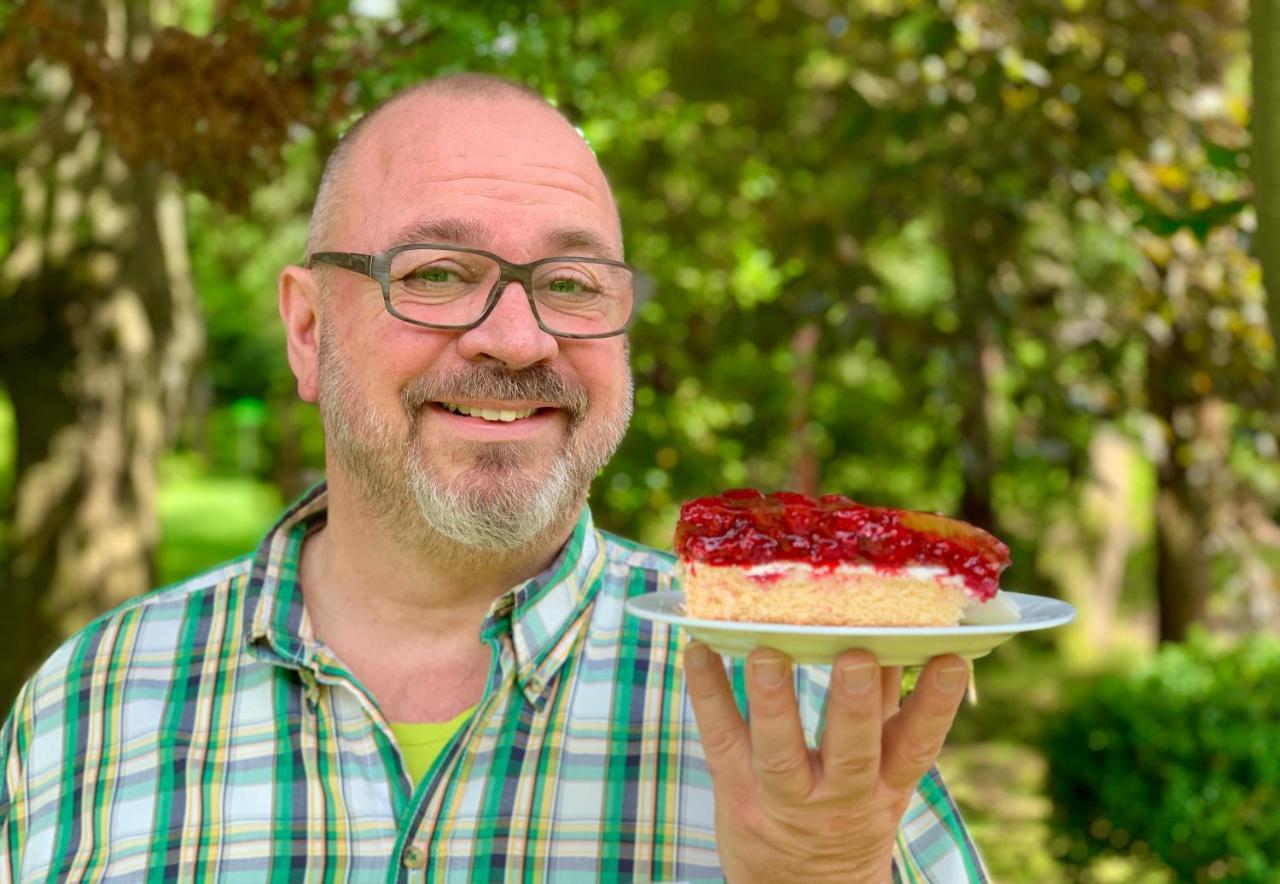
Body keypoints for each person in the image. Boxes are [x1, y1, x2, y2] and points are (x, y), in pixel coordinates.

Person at [0, 74, 985, 882]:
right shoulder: (88, 704)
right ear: (308, 331)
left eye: (570, 283)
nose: (516, 339)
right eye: (434, 273)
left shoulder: (807, 713)